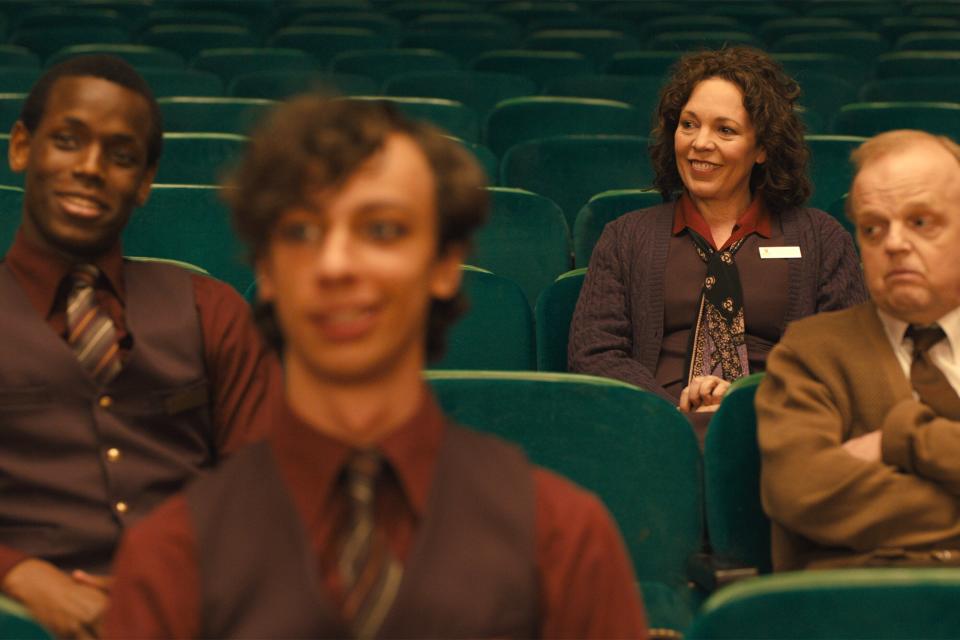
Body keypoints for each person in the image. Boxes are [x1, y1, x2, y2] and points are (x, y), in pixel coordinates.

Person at [101, 97, 648, 639]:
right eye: (302, 231)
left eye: (382, 230)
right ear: (266, 270)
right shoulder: (171, 557)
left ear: (442, 264)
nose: (337, 263)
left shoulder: (562, 538)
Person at [0, 55, 280, 637]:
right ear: (23, 148)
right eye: (68, 141)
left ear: (146, 181)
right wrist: (20, 574)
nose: (92, 168)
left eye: (122, 156)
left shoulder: (214, 310)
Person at [568, 47, 866, 433]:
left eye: (725, 130)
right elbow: (593, 352)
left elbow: (847, 360)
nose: (700, 143)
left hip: (779, 431)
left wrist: (746, 399)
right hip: (653, 432)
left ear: (761, 149)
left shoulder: (820, 238)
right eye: (689, 124)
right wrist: (674, 415)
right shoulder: (626, 236)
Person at [758, 130, 960, 571]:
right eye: (873, 227)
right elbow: (802, 490)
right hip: (864, 614)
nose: (893, 243)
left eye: (921, 222)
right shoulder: (811, 351)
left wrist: (902, 437)